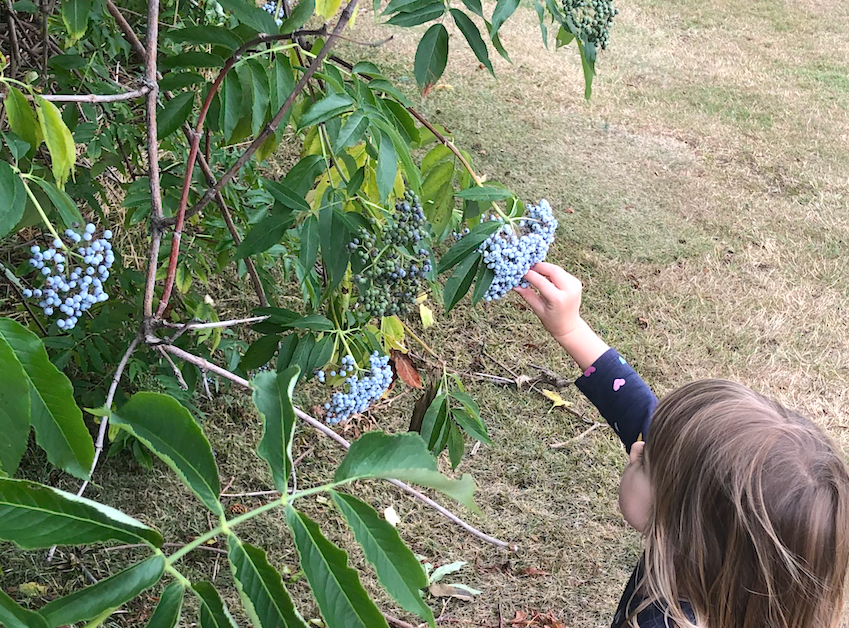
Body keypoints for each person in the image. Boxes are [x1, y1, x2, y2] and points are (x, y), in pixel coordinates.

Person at [514, 261, 849, 628]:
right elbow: (637, 409)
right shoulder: (701, 538)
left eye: (645, 463)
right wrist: (570, 328)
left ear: (685, 528)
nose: (636, 448)